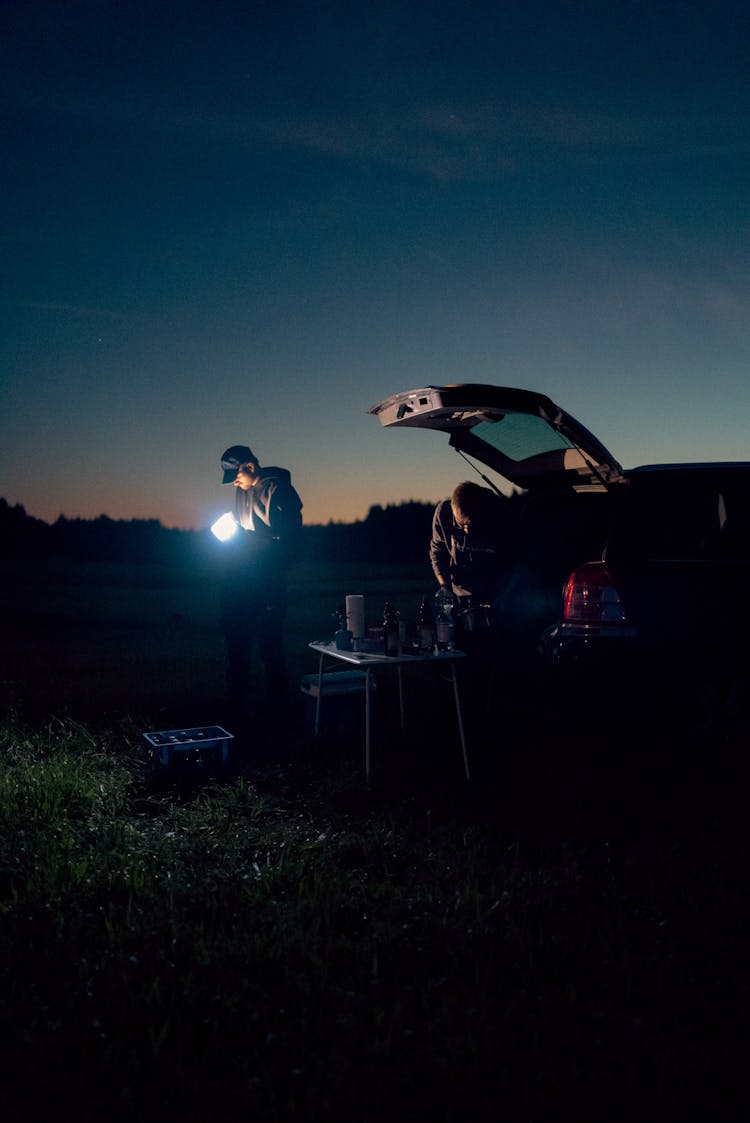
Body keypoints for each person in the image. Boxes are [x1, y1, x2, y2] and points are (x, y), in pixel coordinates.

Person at [217, 444, 303, 736]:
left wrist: (255, 547)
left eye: (236, 476)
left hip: (268, 586)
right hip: (239, 584)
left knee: (270, 653)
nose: (235, 483)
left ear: (250, 467)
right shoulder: (241, 492)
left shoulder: (280, 492)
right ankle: (235, 717)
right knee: (237, 652)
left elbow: (290, 544)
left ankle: (279, 720)